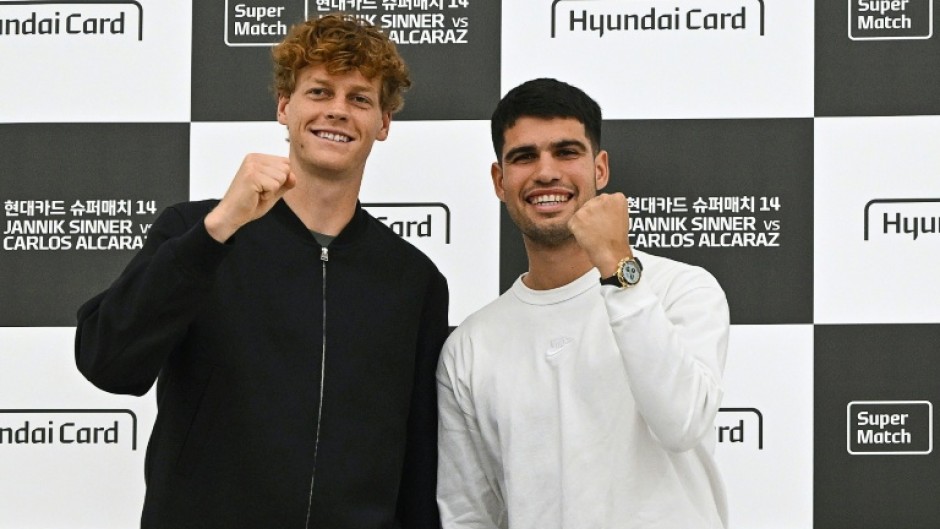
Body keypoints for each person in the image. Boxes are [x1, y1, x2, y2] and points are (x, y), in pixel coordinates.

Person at [74, 14, 449, 529]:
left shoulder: (413, 279)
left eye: (359, 98)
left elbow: (418, 462)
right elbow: (107, 362)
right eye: (319, 92)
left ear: (383, 123)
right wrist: (217, 230)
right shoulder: (197, 233)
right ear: (284, 108)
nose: (337, 111)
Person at [436, 78, 730, 529]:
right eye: (524, 156)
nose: (546, 172)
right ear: (499, 180)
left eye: (567, 152)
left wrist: (617, 266)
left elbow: (682, 423)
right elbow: (468, 513)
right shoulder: (470, 345)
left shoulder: (682, 289)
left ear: (600, 169)